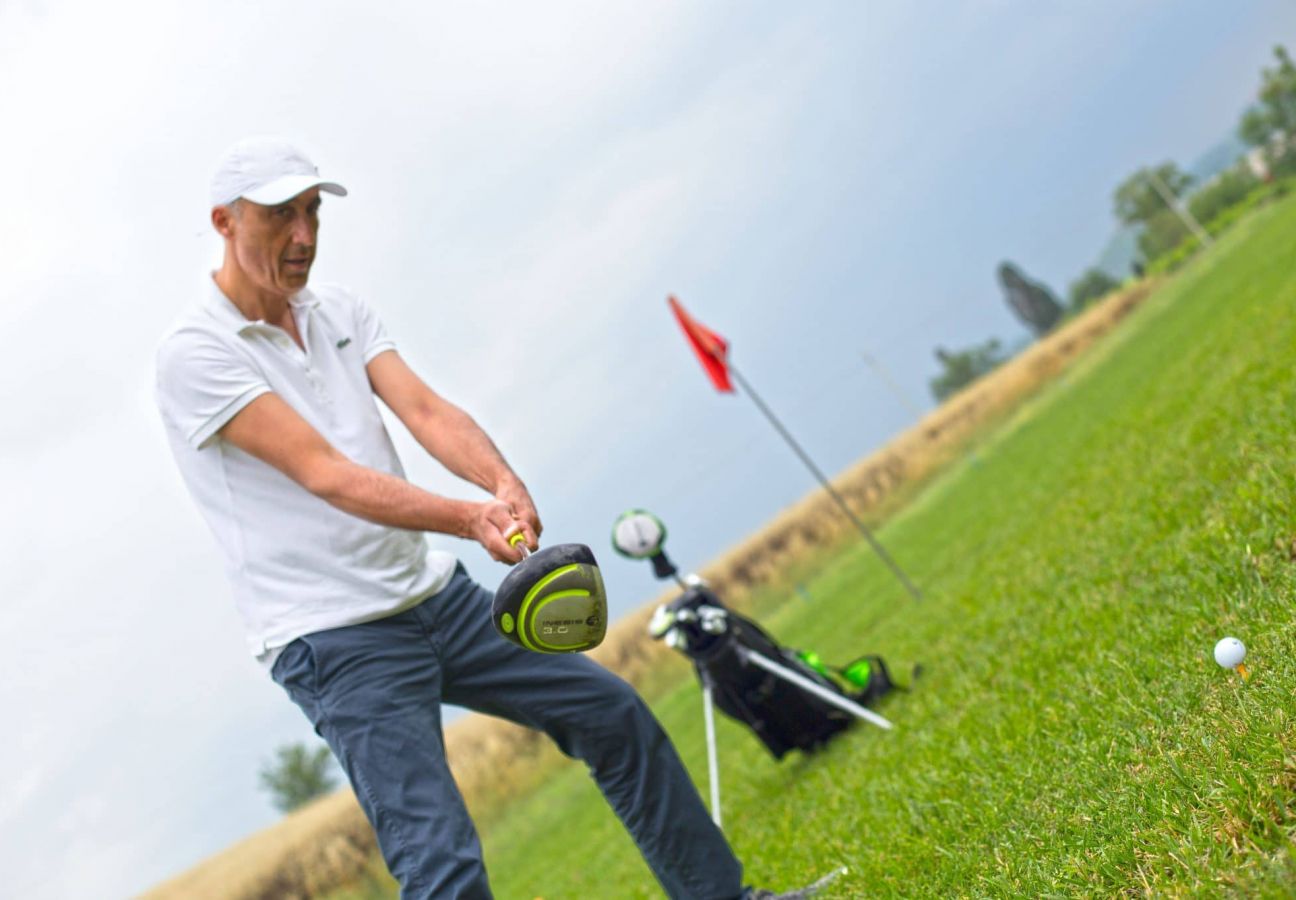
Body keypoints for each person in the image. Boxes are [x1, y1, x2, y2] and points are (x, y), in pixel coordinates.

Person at [154, 137, 817, 900]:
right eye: (279, 216)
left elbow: (427, 411)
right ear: (224, 222)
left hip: (438, 598)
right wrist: (473, 518)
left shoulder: (340, 311)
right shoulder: (195, 355)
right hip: (336, 639)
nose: (303, 235)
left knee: (612, 714)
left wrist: (500, 482)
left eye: (311, 213)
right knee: (441, 860)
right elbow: (324, 474)